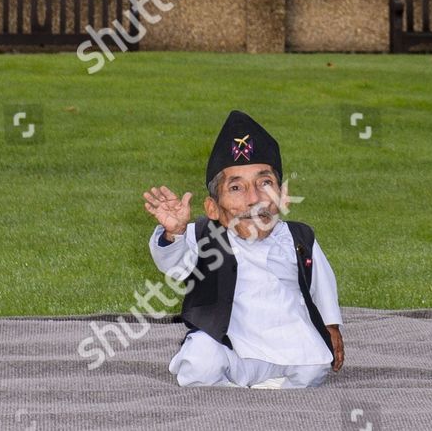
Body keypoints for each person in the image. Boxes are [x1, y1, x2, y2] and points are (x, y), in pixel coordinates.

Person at [143, 109, 345, 389]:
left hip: (287, 341)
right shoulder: (204, 236)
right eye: (236, 188)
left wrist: (331, 325)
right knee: (201, 360)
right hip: (229, 342)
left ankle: (270, 387)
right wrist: (174, 232)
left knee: (315, 366)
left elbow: (321, 284)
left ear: (282, 196)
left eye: (265, 183)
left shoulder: (299, 237)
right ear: (212, 207)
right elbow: (174, 263)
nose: (254, 199)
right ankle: (231, 388)